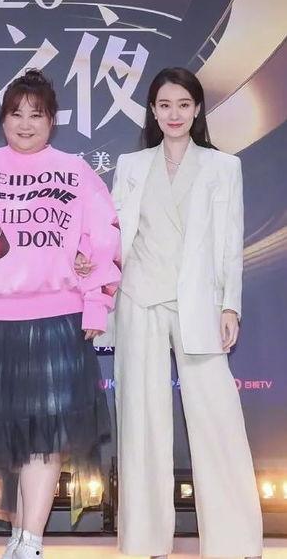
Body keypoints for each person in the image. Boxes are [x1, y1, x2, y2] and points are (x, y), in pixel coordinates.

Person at [0, 69, 121, 559]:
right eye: (16, 114)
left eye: (37, 114)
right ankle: (17, 533)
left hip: (58, 322)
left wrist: (95, 301)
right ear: (2, 120)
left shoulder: (75, 172)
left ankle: (31, 539)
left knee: (45, 436)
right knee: (7, 434)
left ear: (52, 120)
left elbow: (103, 241)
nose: (25, 123)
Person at [107, 67, 263, 559]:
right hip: (139, 297)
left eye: (183, 104)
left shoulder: (223, 167)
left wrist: (230, 304)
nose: (174, 114)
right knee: (141, 421)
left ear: (197, 109)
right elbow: (113, 234)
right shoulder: (131, 165)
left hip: (198, 302)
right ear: (153, 112)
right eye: (164, 105)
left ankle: (235, 542)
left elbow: (230, 244)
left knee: (218, 418)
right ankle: (144, 541)